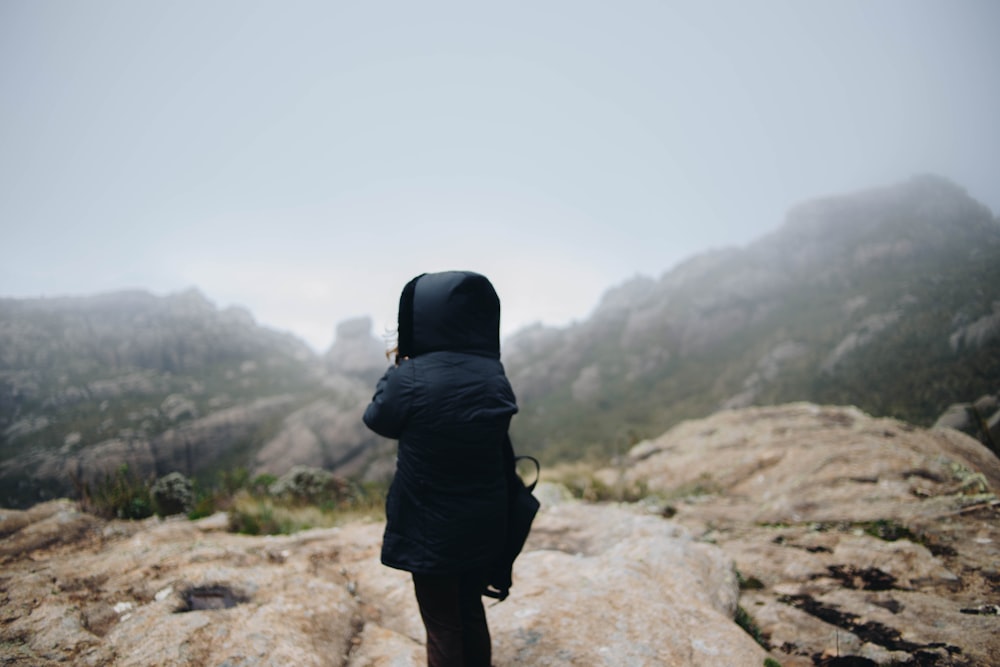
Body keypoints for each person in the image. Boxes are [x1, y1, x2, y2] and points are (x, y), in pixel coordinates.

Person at [363, 270, 518, 667]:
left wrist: (397, 363)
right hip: (483, 521)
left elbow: (378, 418)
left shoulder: (410, 376)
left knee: (442, 625)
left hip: (429, 528)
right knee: (470, 609)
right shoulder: (492, 373)